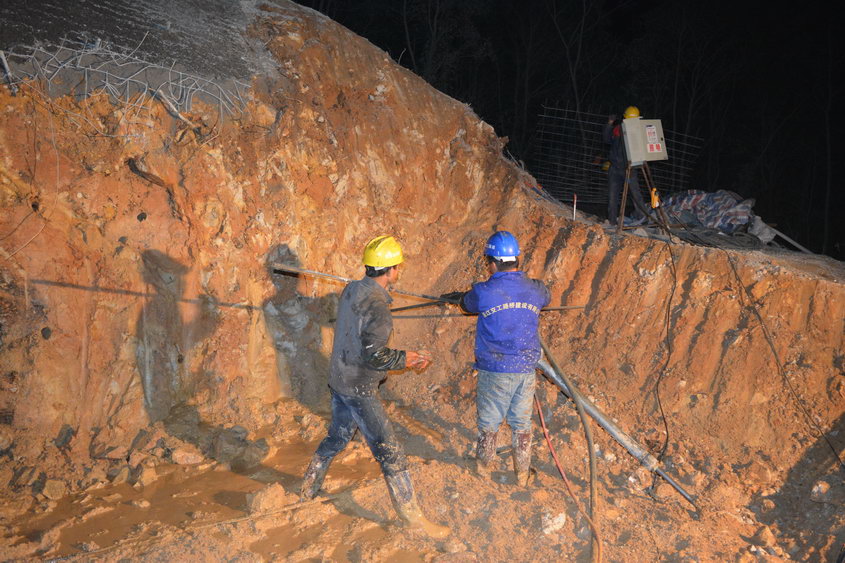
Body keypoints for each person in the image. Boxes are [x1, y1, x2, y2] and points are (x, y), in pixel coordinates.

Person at [299, 235, 449, 538]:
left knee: (339, 436)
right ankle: (413, 519)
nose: (398, 271)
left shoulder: (352, 289)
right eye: (397, 267)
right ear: (392, 270)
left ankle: (308, 487)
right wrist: (407, 358)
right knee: (390, 450)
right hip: (359, 387)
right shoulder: (378, 308)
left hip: (339, 378)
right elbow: (375, 355)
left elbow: (355, 332)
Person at [442, 231, 550, 485]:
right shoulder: (535, 289)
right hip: (525, 368)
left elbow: (467, 304)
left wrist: (458, 298)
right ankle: (522, 474)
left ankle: (482, 468)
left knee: (489, 422)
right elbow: (546, 295)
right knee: (521, 423)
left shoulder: (484, 291)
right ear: (517, 260)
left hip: (496, 367)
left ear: (491, 263)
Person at [603, 105, 650, 223]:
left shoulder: (638, 132)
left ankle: (643, 218)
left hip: (630, 168)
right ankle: (612, 221)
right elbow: (607, 140)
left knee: (635, 194)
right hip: (615, 168)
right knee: (613, 196)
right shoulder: (618, 129)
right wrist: (609, 124)